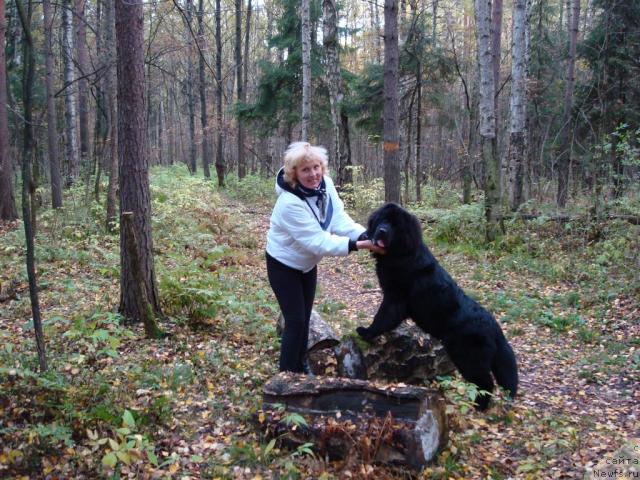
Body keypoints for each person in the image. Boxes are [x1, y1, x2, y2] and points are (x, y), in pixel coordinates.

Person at [266, 142, 384, 373]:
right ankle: (287, 376)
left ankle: (300, 364)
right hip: (283, 265)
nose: (313, 174)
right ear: (294, 174)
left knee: (306, 317)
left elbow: (338, 219)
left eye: (316, 167)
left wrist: (364, 234)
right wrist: (358, 245)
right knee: (296, 320)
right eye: (306, 170)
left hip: (307, 265)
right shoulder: (289, 204)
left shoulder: (325, 186)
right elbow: (317, 241)